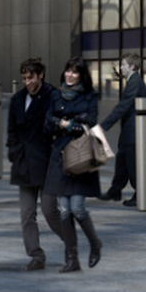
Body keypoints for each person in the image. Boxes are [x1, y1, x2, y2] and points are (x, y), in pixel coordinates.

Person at [45, 58, 103, 272]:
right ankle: (72, 259)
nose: (69, 75)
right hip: (60, 157)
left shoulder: (90, 96)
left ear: (81, 75)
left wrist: (65, 123)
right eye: (67, 71)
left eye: (74, 72)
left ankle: (95, 243)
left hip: (80, 157)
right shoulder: (55, 95)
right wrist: (69, 122)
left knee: (77, 207)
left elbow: (91, 123)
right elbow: (48, 122)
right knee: (63, 210)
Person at [5, 58, 61, 271]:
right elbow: (12, 129)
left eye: (31, 77)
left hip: (48, 164)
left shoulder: (53, 97)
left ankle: (70, 243)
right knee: (27, 214)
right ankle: (36, 255)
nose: (27, 82)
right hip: (24, 164)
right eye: (24, 78)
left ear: (41, 75)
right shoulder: (18, 99)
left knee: (50, 211)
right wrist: (13, 151)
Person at [98, 54, 146, 207]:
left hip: (133, 131)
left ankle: (141, 194)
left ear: (132, 67)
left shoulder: (135, 82)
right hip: (128, 130)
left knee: (132, 164)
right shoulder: (132, 81)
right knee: (122, 162)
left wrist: (104, 125)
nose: (120, 67)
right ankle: (115, 190)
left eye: (123, 64)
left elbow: (124, 106)